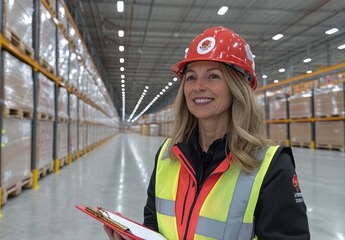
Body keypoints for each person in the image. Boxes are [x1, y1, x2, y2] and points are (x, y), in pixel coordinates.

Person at [105, 26, 310, 239]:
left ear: (237, 87)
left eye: (213, 76)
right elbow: (154, 223)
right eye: (191, 78)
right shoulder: (168, 154)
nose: (198, 87)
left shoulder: (271, 167)